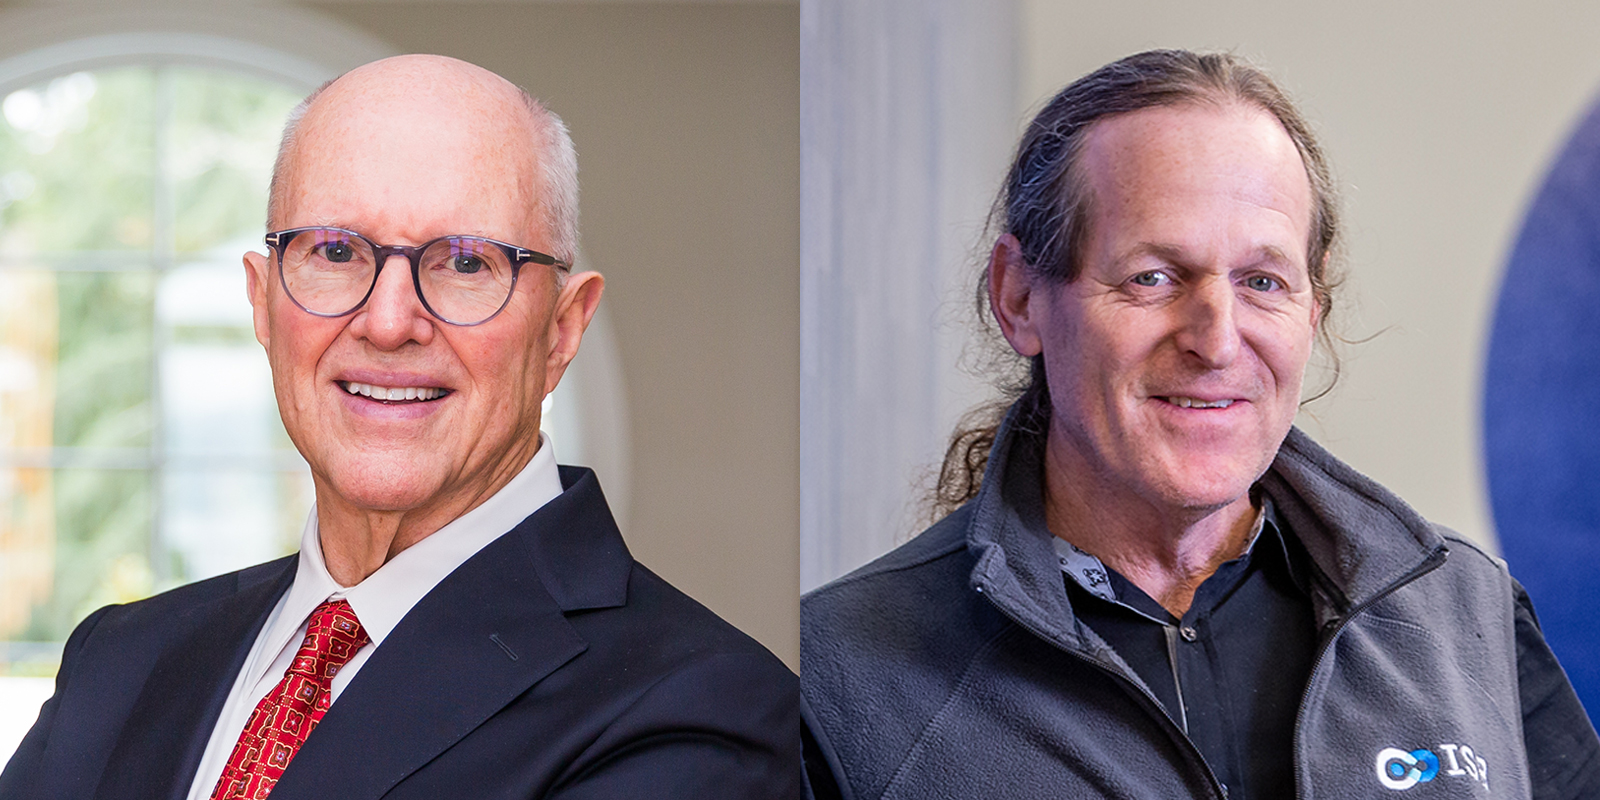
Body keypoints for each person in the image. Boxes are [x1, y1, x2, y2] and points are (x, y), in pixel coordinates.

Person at [800, 49, 1600, 800]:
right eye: (1152, 277)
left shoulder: (1463, 612)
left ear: (1313, 308)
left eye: (1263, 281)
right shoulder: (838, 685)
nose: (1217, 341)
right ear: (1019, 297)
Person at [0, 55, 799, 800]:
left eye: (465, 262)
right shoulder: (120, 660)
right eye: (335, 250)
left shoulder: (700, 708)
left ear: (562, 329)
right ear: (262, 303)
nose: (387, 322)